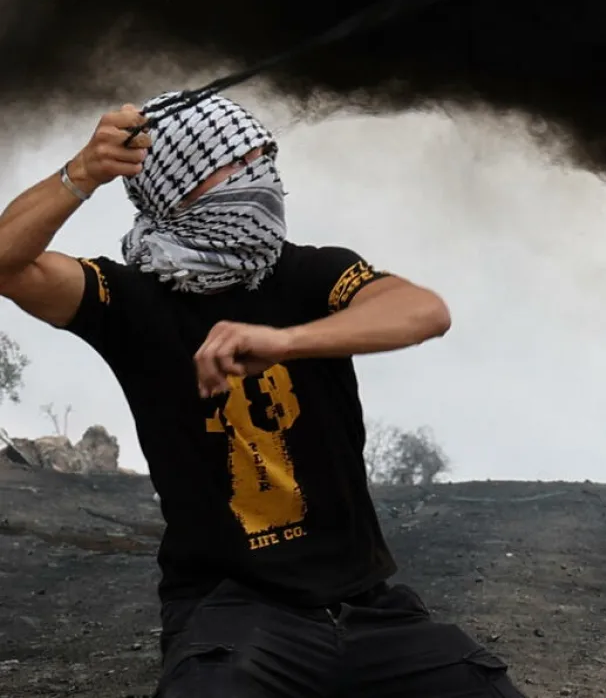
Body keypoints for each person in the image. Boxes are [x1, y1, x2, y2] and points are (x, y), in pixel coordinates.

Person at [0, 93, 527, 697]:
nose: (262, 179)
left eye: (265, 160)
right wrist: (82, 174)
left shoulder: (311, 273)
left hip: (369, 611)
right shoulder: (127, 299)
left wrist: (288, 341)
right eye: (237, 163)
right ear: (182, 180)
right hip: (232, 615)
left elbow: (425, 312)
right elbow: (5, 263)